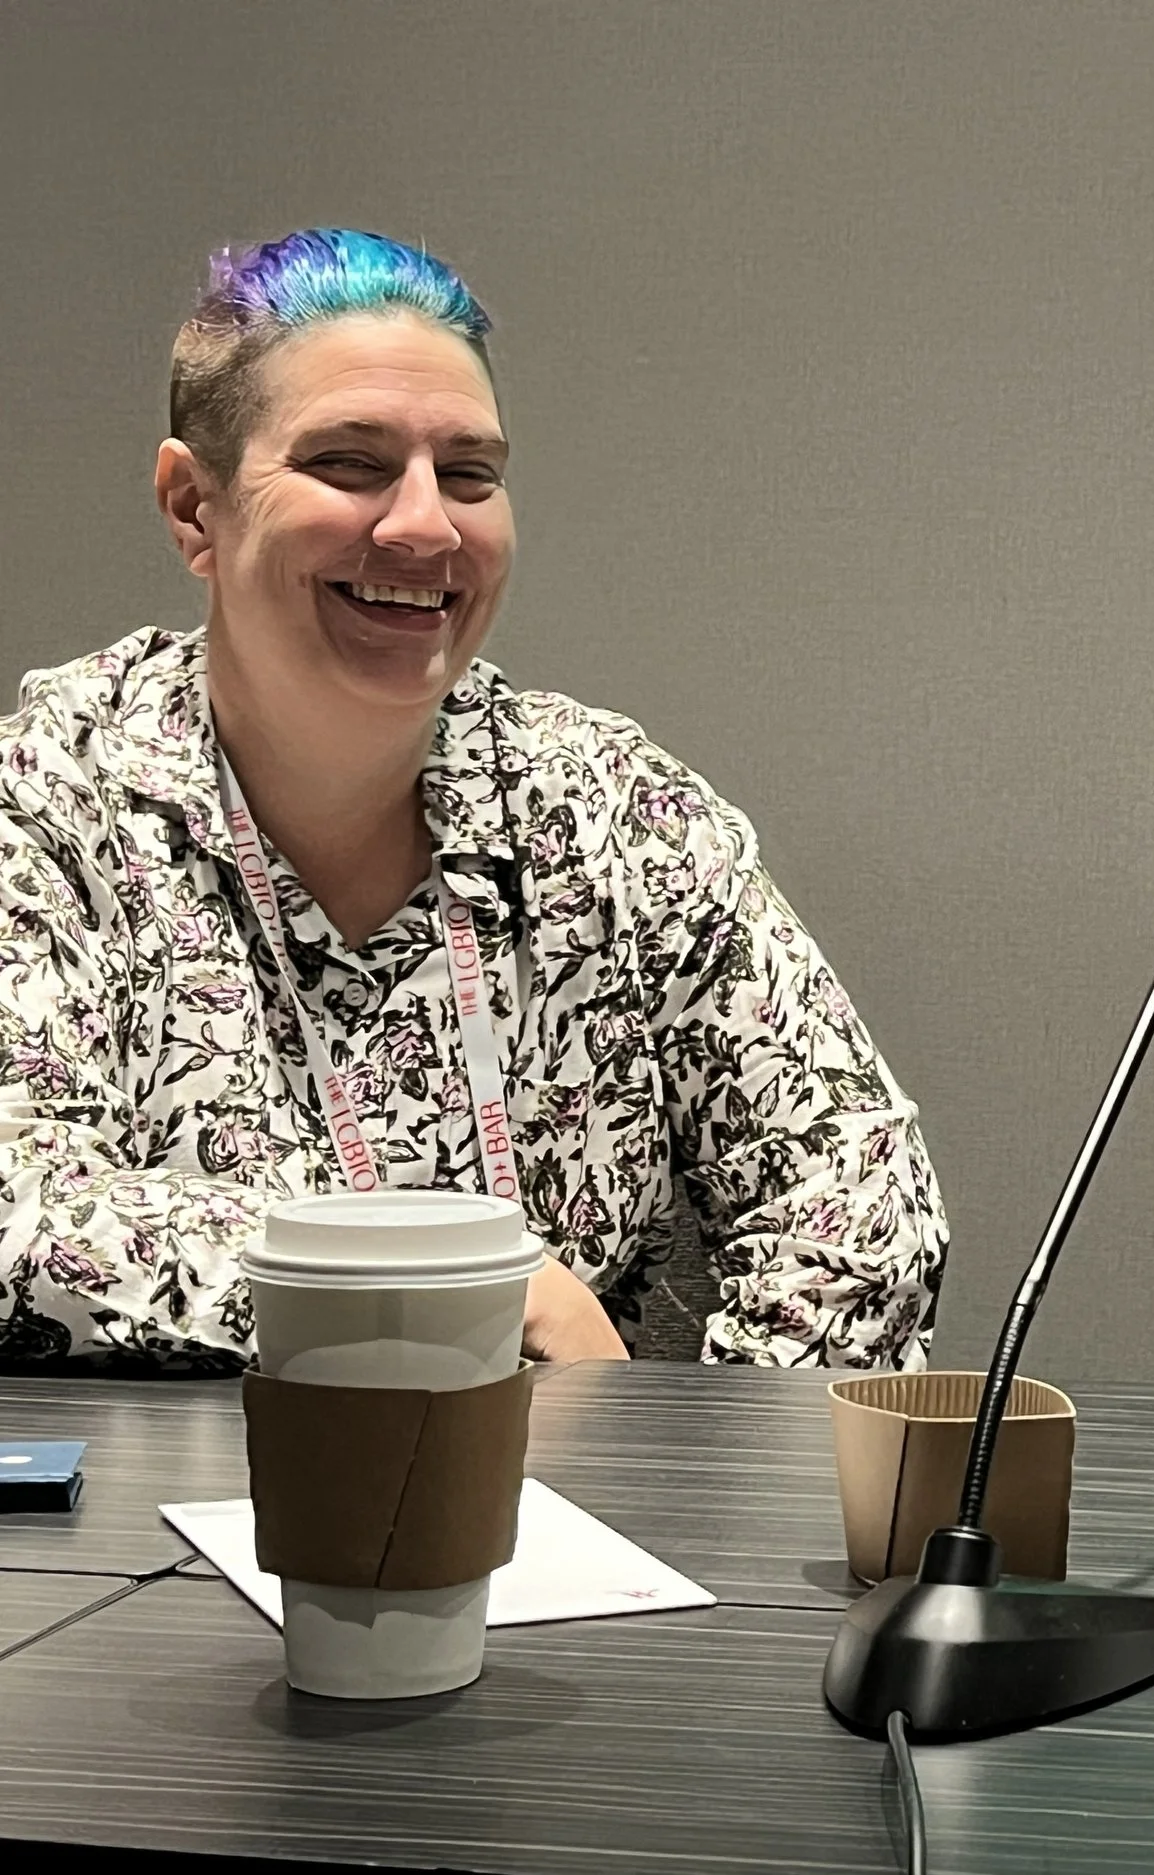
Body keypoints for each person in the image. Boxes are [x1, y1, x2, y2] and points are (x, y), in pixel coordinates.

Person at [0, 229, 947, 1370]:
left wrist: (679, 1475)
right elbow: (19, 1210)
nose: (424, 525)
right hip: (139, 1527)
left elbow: (856, 1198)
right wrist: (442, 1286)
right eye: (349, 464)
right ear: (194, 508)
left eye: (469, 475)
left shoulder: (609, 808)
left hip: (557, 1505)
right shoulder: (48, 804)